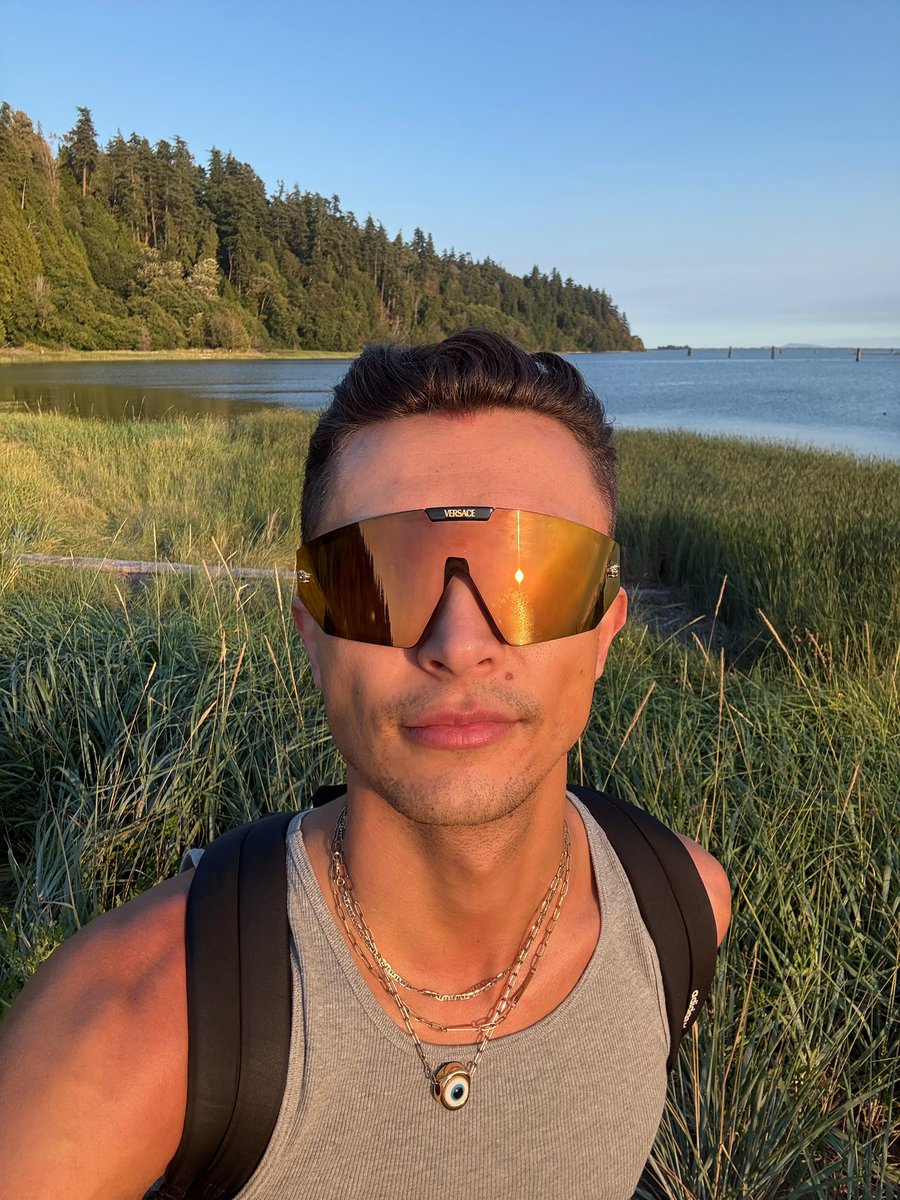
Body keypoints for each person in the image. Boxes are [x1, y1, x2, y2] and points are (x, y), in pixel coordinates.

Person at [0, 330, 731, 1199]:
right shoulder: (138, 1027)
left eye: (532, 577)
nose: (460, 645)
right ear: (312, 636)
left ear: (606, 633)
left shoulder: (680, 909)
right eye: (382, 579)